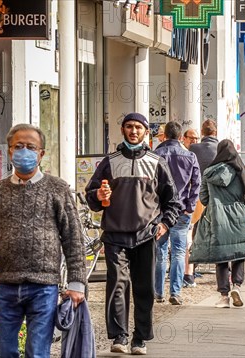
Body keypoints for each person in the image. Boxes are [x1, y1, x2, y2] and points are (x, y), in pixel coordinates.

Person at [0, 124, 87, 357]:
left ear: (41, 153)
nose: (24, 151)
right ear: (10, 152)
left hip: (44, 287)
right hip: (6, 287)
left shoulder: (57, 189)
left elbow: (73, 238)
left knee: (37, 353)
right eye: (18, 146)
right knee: (5, 352)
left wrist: (76, 284)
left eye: (31, 147)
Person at [85, 112, 180, 355]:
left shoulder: (156, 162)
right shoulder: (110, 161)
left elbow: (173, 201)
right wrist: (99, 196)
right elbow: (92, 194)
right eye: (129, 126)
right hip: (115, 234)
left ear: (146, 132)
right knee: (117, 286)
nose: (134, 131)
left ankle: (140, 338)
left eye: (138, 127)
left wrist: (164, 224)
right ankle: (119, 336)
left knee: (144, 287)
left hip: (146, 234)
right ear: (123, 130)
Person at [189, 140, 245, 309]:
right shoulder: (241, 170)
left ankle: (224, 296)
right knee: (238, 252)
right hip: (238, 214)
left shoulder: (209, 172)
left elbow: (204, 198)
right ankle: (237, 286)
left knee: (220, 256)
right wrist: (243, 202)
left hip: (217, 216)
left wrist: (216, 201)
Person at [154, 121, 201, 305]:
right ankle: (175, 291)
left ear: (164, 136)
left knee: (160, 252)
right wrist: (190, 205)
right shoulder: (189, 156)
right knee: (179, 252)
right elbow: (196, 183)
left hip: (160, 211)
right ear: (181, 137)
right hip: (181, 209)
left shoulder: (155, 155)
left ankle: (158, 292)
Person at [186, 119, 219, 287]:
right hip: (218, 197)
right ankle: (223, 272)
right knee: (218, 232)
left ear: (203, 132)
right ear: (215, 132)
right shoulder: (221, 148)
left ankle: (191, 268)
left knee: (196, 231)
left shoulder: (193, 148)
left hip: (198, 195)